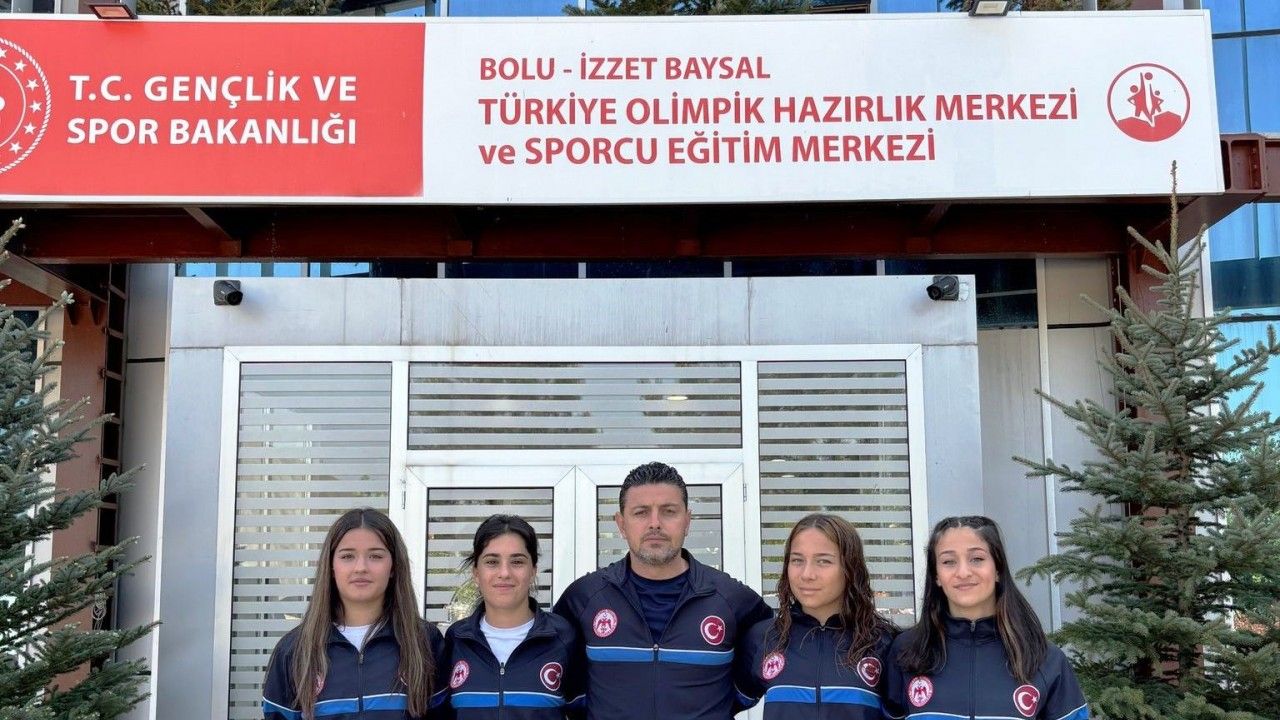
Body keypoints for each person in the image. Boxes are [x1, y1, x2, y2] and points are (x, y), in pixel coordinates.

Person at [552, 461, 772, 720]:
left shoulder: (733, 599)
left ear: (687, 521)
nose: (655, 523)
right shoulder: (584, 598)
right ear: (621, 524)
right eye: (641, 512)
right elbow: (558, 680)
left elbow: (759, 670)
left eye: (669, 511)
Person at [883, 516, 1089, 720]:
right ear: (936, 575)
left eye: (977, 559)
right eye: (948, 562)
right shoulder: (906, 653)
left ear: (998, 569)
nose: (963, 572)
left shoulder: (1044, 659)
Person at [263, 507, 448, 720]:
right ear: (331, 566)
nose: (361, 567)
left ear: (393, 567)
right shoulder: (294, 650)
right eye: (347, 556)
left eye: (375, 556)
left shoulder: (425, 642)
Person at [737, 513, 898, 719]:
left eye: (823, 561)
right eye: (797, 560)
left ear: (851, 568)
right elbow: (712, 705)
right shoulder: (764, 638)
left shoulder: (885, 643)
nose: (807, 574)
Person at [443, 514, 584, 719]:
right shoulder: (456, 640)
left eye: (517, 562)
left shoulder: (564, 637)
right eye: (492, 562)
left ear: (533, 571)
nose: (504, 573)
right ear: (476, 573)